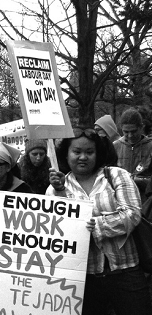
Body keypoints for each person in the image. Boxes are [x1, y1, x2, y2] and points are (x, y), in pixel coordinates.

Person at [48, 127, 150, 315]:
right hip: (84, 280)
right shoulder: (55, 188)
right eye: (77, 152)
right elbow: (56, 230)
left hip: (126, 273)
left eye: (89, 152)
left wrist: (93, 227)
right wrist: (60, 193)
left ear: (98, 153)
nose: (83, 157)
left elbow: (132, 214)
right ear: (66, 154)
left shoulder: (116, 175)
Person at [113, 108, 152, 198]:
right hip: (121, 198)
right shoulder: (115, 146)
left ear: (141, 127)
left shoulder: (150, 146)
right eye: (126, 132)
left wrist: (136, 180)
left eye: (134, 131)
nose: (130, 135)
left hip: (145, 200)